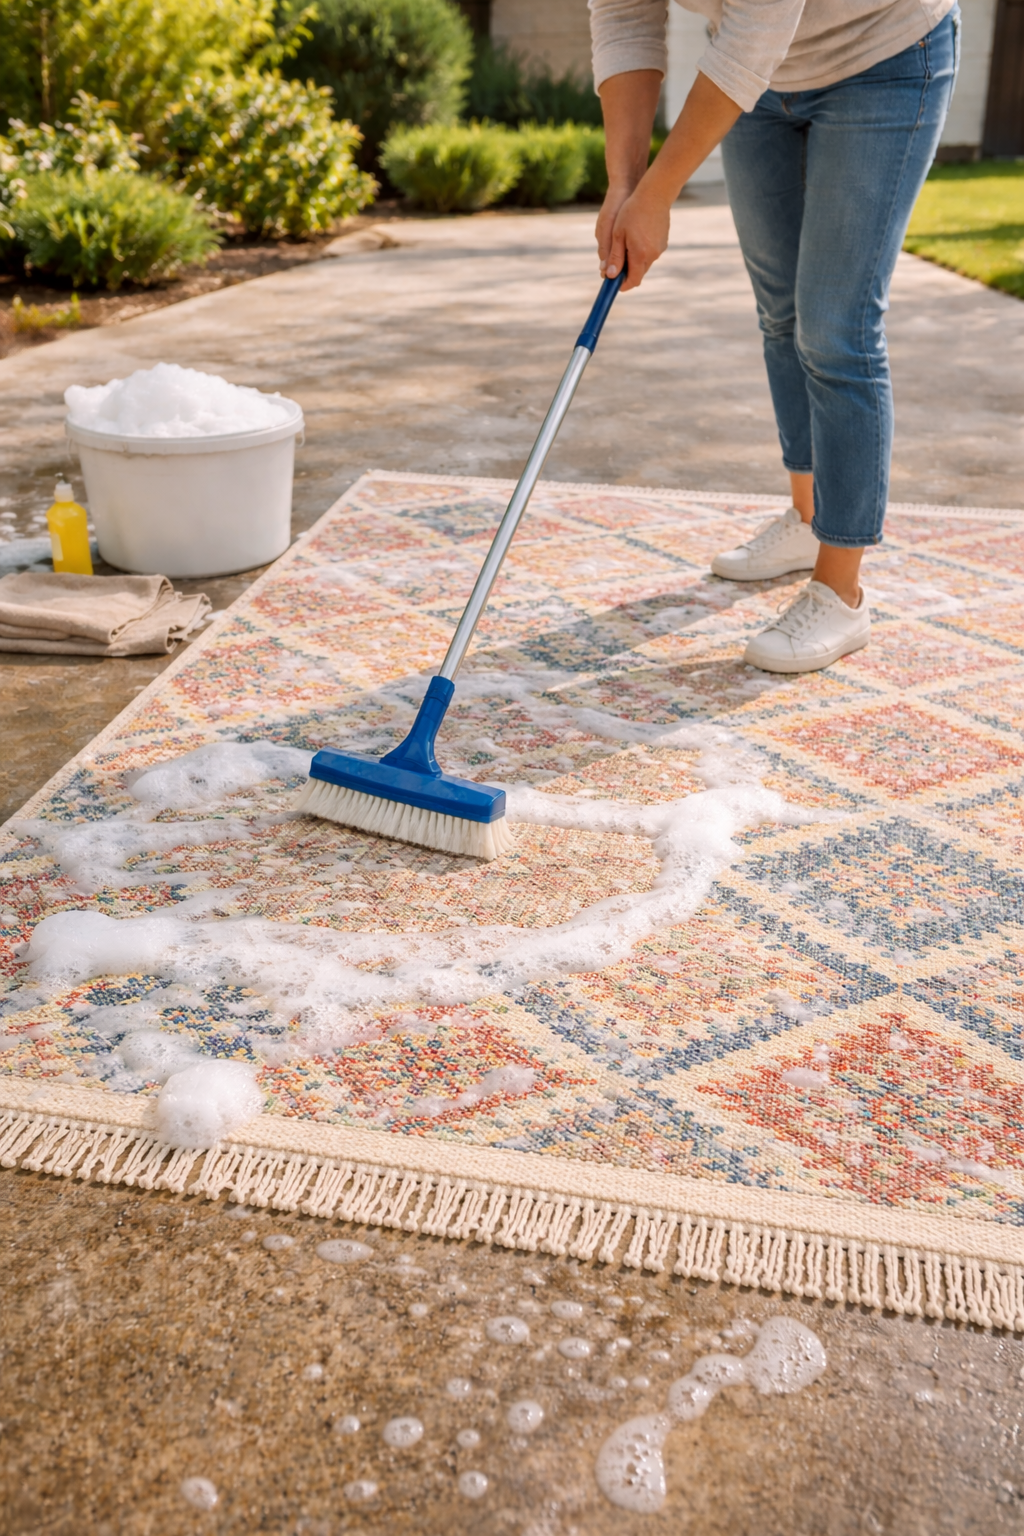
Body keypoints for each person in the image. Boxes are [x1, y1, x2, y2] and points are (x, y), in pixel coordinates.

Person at [590, 0, 960, 672]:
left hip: (884, 55)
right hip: (760, 87)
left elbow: (755, 33)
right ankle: (806, 516)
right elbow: (624, 20)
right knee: (782, 313)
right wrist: (624, 182)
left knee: (835, 328)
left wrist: (658, 194)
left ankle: (841, 592)